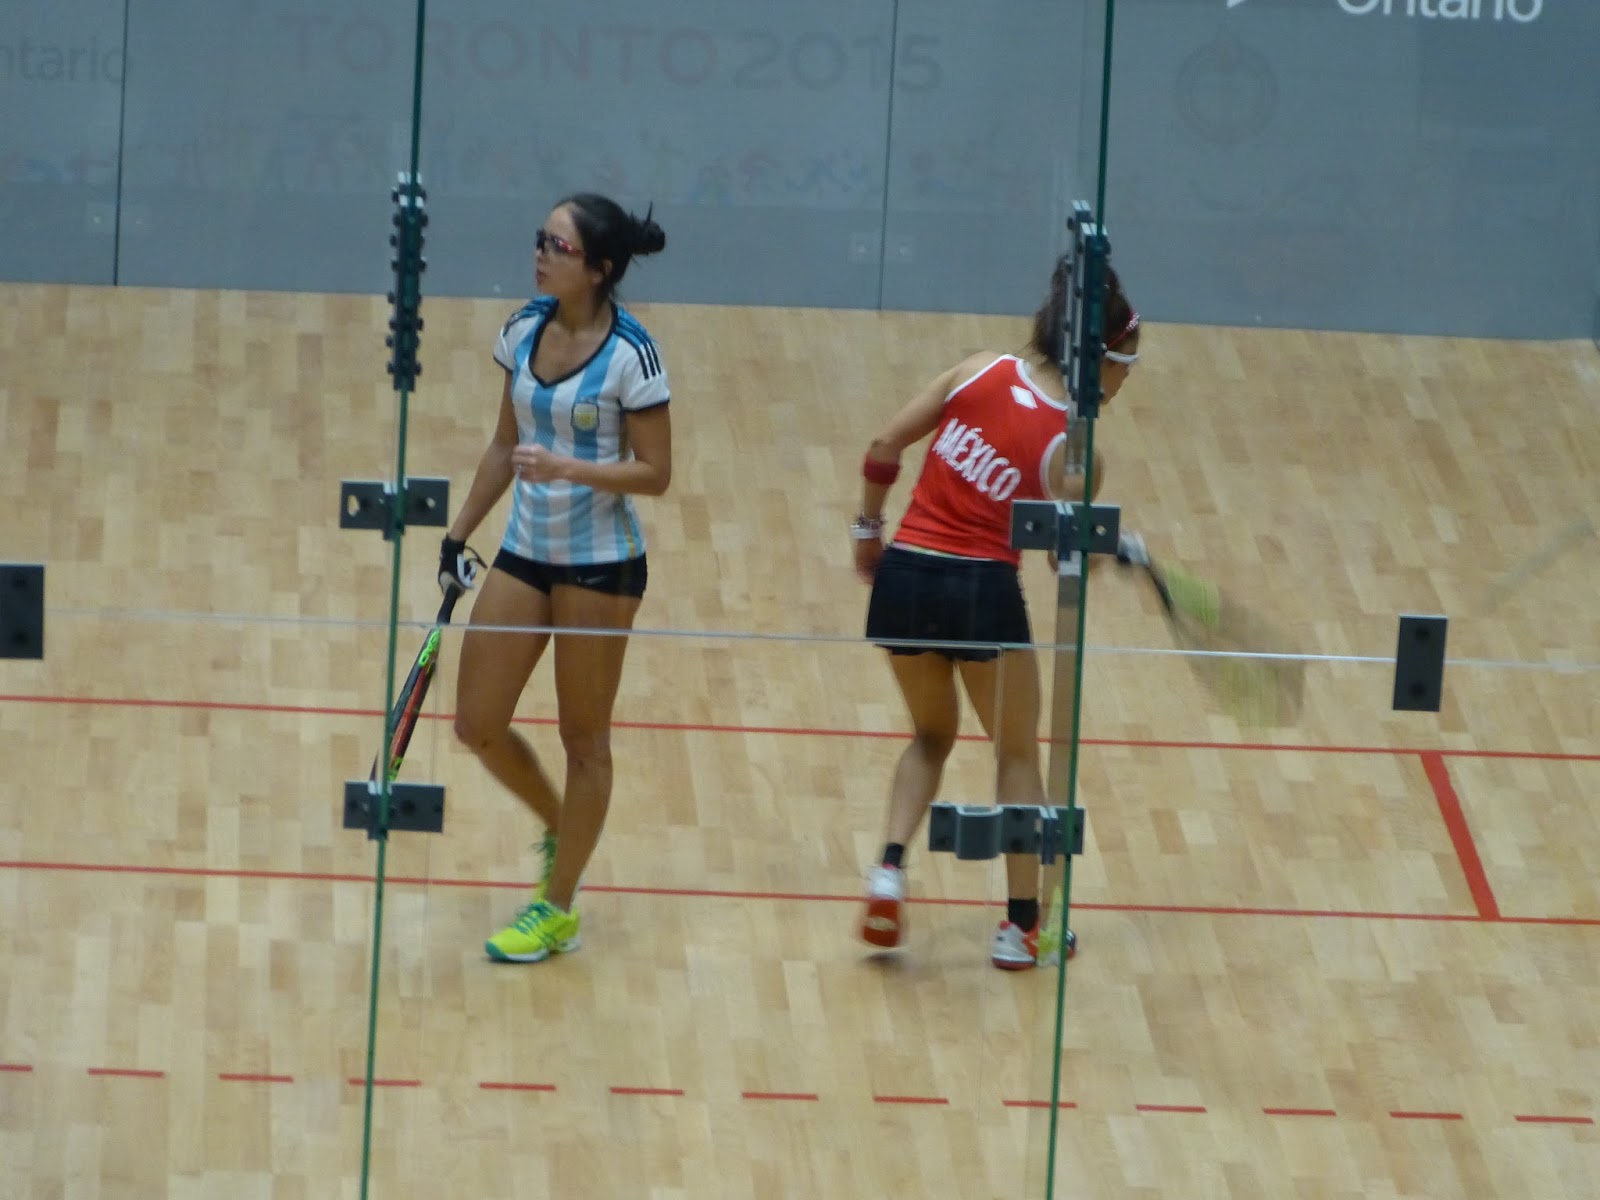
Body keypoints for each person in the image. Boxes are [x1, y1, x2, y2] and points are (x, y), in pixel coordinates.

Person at [851, 260, 1141, 970]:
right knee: (1015, 755)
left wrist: (867, 531)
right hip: (983, 593)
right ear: (1101, 360)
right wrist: (1110, 550)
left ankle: (888, 870)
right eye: (1127, 366)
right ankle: (1021, 928)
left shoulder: (979, 368)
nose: (1125, 382)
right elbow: (1066, 564)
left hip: (904, 578)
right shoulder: (1077, 449)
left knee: (930, 736)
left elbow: (884, 446)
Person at [440, 193, 671, 963]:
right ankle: (559, 827)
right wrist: (458, 532)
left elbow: (657, 473)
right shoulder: (521, 330)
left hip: (601, 566)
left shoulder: (632, 355)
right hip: (526, 551)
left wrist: (569, 468)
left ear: (599, 269)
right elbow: (503, 445)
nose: (541, 254)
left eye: (559, 247)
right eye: (540, 239)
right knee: (476, 724)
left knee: (584, 741)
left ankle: (558, 907)